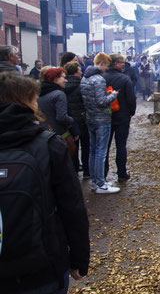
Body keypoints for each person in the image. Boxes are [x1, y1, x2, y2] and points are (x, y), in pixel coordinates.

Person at [0, 72, 90, 293]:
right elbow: (72, 206)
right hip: (41, 266)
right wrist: (79, 257)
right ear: (27, 100)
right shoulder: (48, 145)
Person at [80, 52, 120, 194]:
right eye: (107, 66)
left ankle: (94, 182)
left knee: (92, 150)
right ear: (102, 63)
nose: (107, 69)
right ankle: (101, 184)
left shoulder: (84, 78)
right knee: (101, 152)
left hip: (90, 118)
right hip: (102, 119)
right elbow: (101, 102)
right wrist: (113, 95)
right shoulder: (99, 79)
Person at [103, 53, 136, 181]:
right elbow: (131, 98)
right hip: (122, 115)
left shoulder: (102, 78)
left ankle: (103, 173)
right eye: (122, 62)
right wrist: (131, 112)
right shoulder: (125, 79)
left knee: (104, 146)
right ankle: (121, 173)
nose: (124, 64)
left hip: (106, 115)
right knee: (121, 145)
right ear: (116, 64)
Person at [38, 67, 79, 155]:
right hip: (60, 135)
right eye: (63, 77)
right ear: (56, 79)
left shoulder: (41, 93)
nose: (66, 80)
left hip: (46, 134)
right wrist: (72, 120)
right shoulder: (59, 94)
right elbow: (61, 117)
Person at [64, 61, 90, 178]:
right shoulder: (81, 85)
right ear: (75, 72)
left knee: (73, 147)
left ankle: (74, 171)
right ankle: (87, 171)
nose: (81, 72)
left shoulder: (62, 86)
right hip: (82, 119)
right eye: (80, 70)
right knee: (86, 146)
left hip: (69, 121)